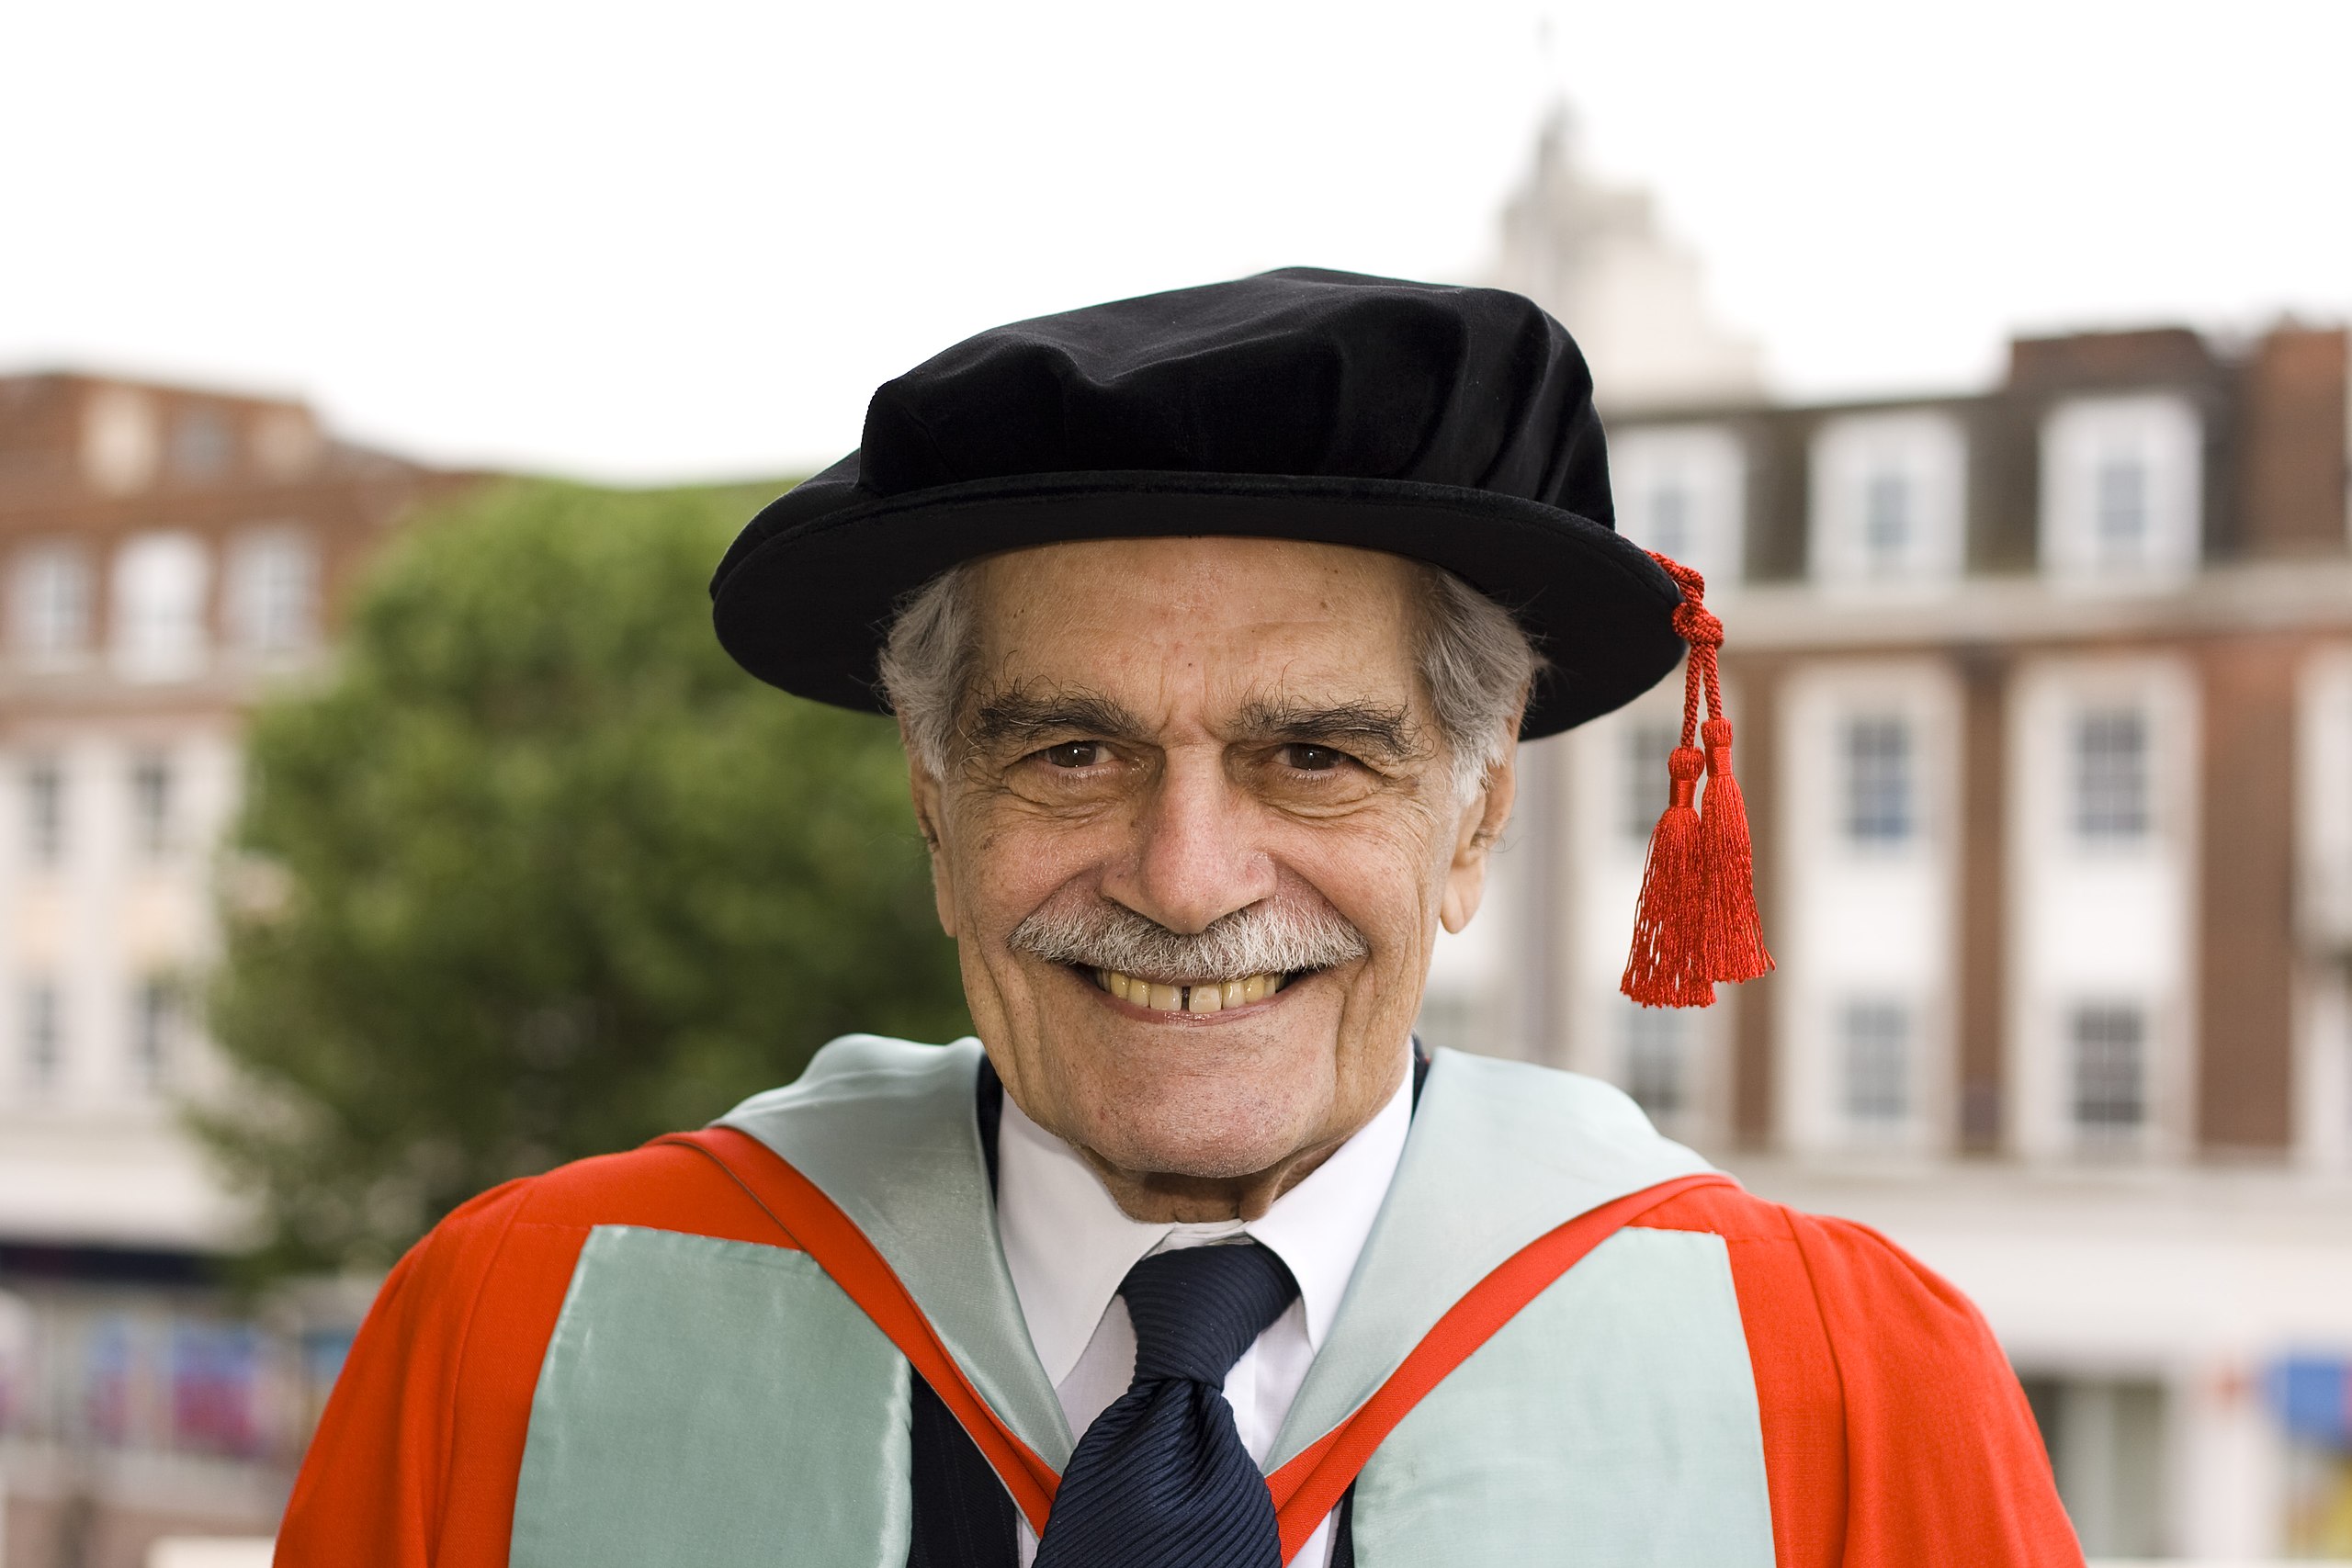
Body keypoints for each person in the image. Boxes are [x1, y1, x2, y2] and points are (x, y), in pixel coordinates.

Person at [278, 269, 2082, 1566]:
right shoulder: (526, 1330)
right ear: (934, 802)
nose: (1185, 875)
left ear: (1474, 819)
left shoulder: (1836, 1387)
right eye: (1067, 749)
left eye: (1312, 754)